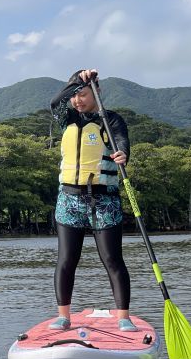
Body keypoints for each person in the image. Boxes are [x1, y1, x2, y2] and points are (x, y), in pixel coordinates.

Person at [48, 69, 137, 332]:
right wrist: (77, 81)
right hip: (69, 200)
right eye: (74, 96)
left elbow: (121, 142)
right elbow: (55, 103)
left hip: (104, 200)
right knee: (66, 259)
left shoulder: (110, 120)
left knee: (112, 259)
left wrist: (122, 154)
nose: (78, 100)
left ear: (97, 92)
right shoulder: (67, 119)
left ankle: (124, 317)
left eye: (83, 94)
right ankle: (63, 316)